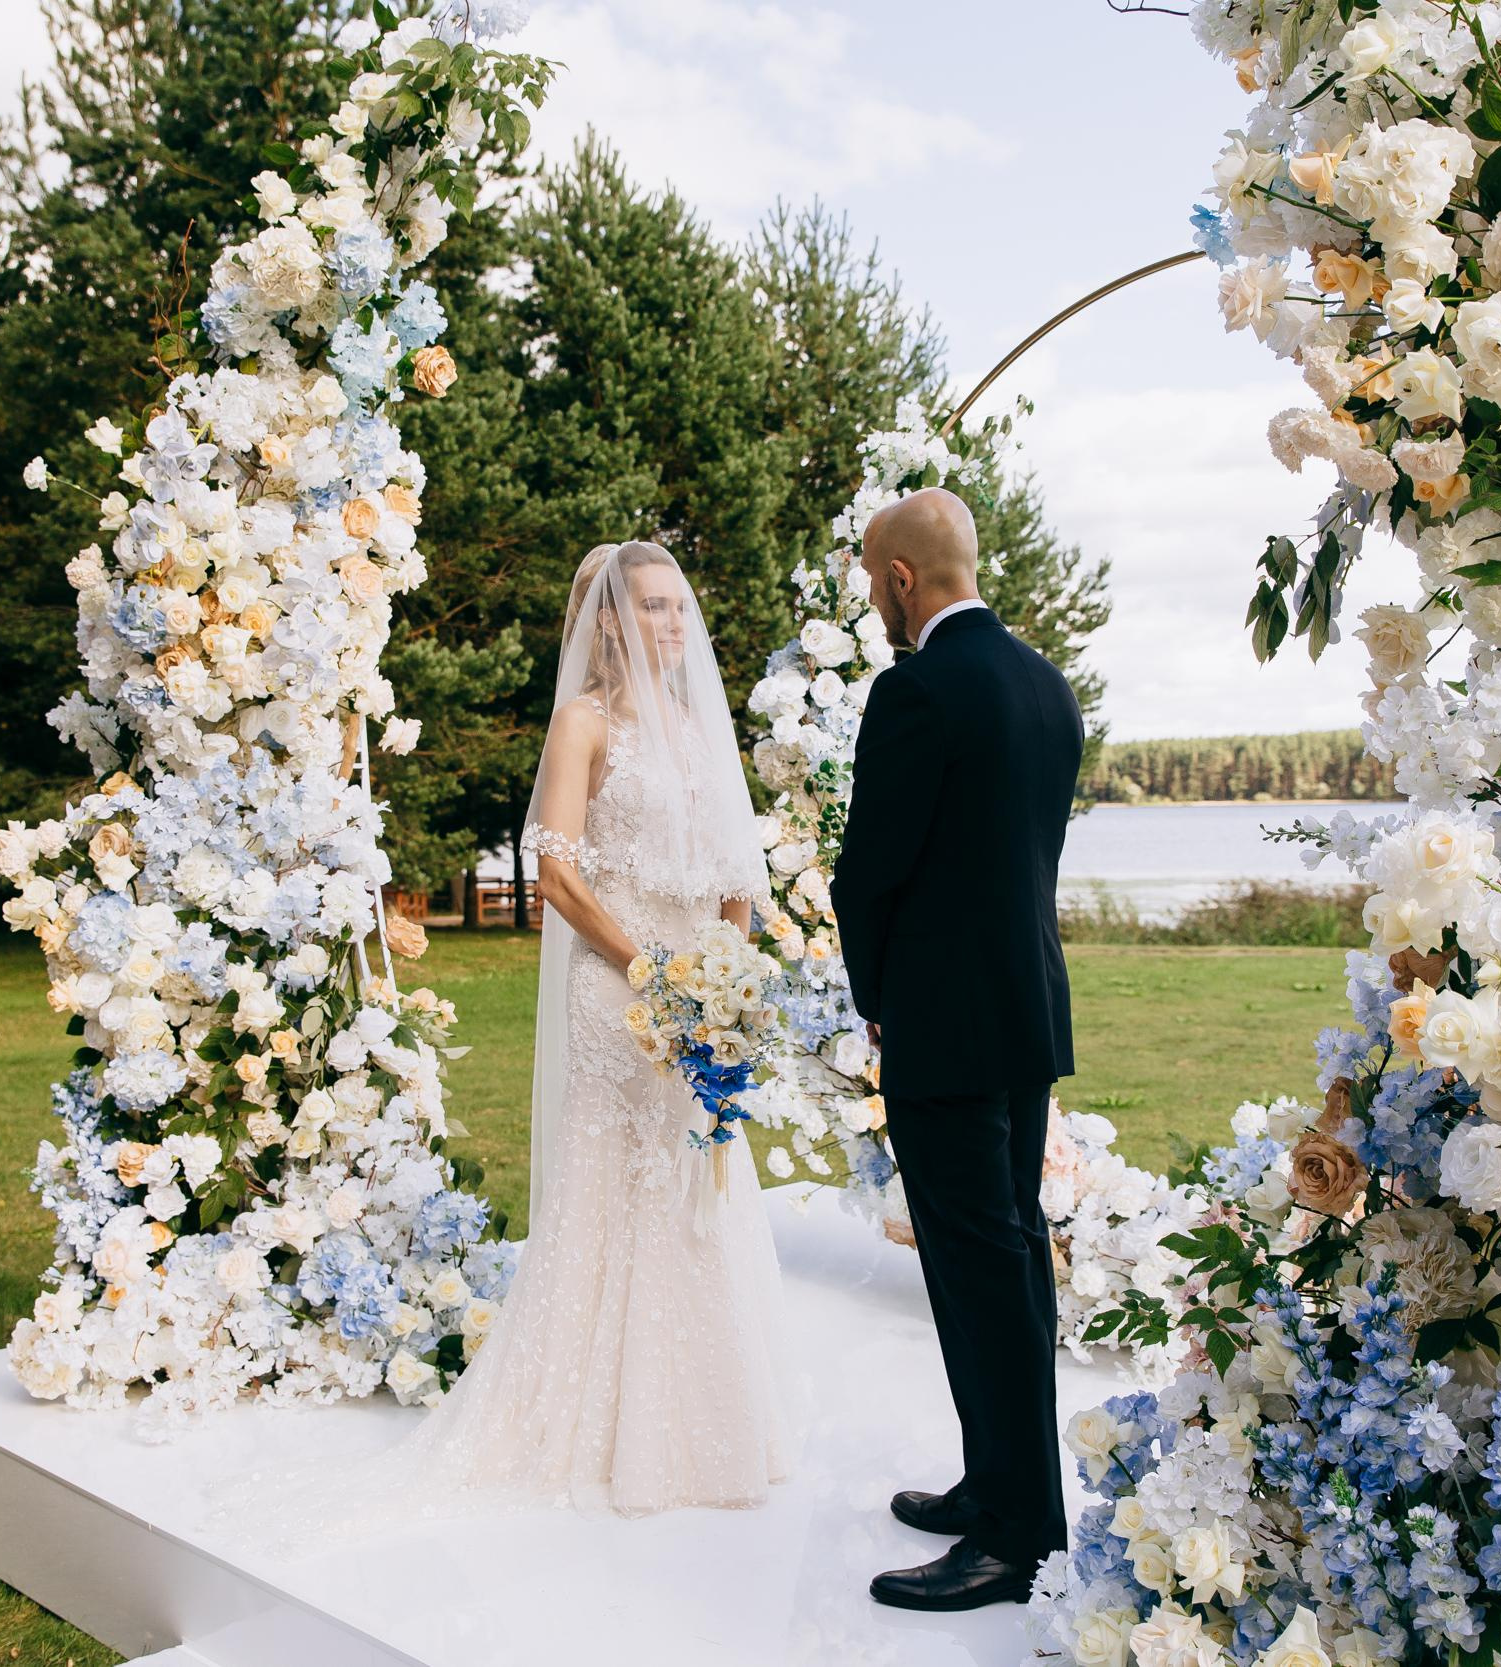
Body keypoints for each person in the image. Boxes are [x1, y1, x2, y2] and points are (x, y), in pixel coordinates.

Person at [370, 539, 795, 1513]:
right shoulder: (583, 721)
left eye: (678, 608)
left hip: (697, 986)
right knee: (619, 1181)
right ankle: (594, 1424)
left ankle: (707, 1424)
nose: (671, 624)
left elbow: (736, 866)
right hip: (617, 986)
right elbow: (555, 871)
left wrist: (722, 976)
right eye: (651, 608)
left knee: (698, 1176)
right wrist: (648, 970)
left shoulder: (695, 725)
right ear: (608, 618)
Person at [832, 487, 1084, 1610]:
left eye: (872, 584)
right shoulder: (1044, 683)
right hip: (1024, 1011)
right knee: (1007, 1254)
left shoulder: (916, 688)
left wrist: (880, 999)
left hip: (943, 1024)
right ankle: (996, 1482)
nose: (875, 606)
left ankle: (1014, 1534)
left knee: (979, 1269)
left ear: (899, 578)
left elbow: (870, 870)